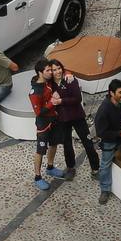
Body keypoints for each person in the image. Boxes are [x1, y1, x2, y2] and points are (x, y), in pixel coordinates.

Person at [51, 59, 99, 178]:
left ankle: (96, 168)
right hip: (62, 119)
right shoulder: (50, 84)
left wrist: (61, 100)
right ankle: (70, 167)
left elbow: (77, 98)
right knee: (67, 144)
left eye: (59, 68)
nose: (58, 71)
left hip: (77, 116)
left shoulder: (70, 80)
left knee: (87, 142)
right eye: (54, 70)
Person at [28, 58, 65, 191]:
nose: (51, 72)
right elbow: (38, 112)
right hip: (43, 125)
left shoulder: (48, 81)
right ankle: (37, 177)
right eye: (48, 70)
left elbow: (61, 72)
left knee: (54, 144)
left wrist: (70, 74)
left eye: (51, 69)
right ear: (40, 72)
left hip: (54, 120)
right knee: (40, 150)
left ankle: (50, 167)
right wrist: (52, 103)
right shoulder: (35, 92)